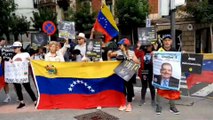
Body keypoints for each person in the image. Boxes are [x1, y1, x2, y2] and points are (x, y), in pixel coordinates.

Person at [108, 38, 140, 112]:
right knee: (122, 88)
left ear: (125, 45)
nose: (119, 46)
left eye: (121, 45)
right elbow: (110, 55)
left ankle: (129, 103)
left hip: (129, 72)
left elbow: (137, 62)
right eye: (119, 45)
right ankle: (123, 103)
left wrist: (130, 59)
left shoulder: (131, 52)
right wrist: (110, 53)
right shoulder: (118, 52)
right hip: (121, 72)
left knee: (129, 87)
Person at [155, 34, 180, 115]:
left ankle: (172, 107)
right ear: (163, 42)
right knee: (159, 90)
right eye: (165, 40)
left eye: (169, 40)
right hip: (161, 74)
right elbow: (155, 62)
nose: (167, 42)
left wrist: (183, 54)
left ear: (171, 42)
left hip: (170, 74)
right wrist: (153, 55)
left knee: (172, 89)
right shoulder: (159, 50)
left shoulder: (175, 50)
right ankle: (159, 107)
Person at [11, 41, 37, 109]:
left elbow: (29, 63)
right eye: (14, 48)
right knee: (18, 88)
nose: (14, 49)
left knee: (27, 87)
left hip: (24, 74)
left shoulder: (26, 54)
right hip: (16, 74)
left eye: (15, 48)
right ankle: (21, 102)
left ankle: (35, 101)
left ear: (20, 47)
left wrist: (30, 60)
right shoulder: (14, 56)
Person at [135, 40, 155, 106]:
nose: (149, 47)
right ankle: (142, 99)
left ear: (152, 46)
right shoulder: (142, 52)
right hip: (144, 71)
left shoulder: (155, 52)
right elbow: (135, 55)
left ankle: (153, 100)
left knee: (151, 86)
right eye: (147, 46)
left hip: (152, 71)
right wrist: (138, 47)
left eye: (150, 46)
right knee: (144, 85)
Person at [0, 37, 12, 103]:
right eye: (3, 41)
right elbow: (4, 57)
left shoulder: (3, 48)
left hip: (4, 68)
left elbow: (5, 57)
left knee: (5, 82)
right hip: (2, 67)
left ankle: (8, 96)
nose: (4, 42)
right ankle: (8, 96)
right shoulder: (1, 48)